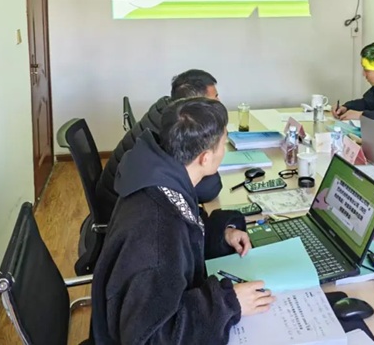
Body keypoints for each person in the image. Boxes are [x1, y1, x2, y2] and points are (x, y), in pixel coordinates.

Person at [91, 97, 275, 344]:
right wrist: (229, 303)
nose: (224, 150)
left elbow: (185, 236)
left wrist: (221, 235)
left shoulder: (159, 180)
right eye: (223, 143)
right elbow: (152, 337)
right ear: (205, 158)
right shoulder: (157, 234)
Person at [96, 69, 222, 222]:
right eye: (214, 98)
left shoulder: (166, 111)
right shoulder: (175, 132)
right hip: (121, 216)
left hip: (118, 201)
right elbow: (208, 189)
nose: (219, 103)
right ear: (195, 104)